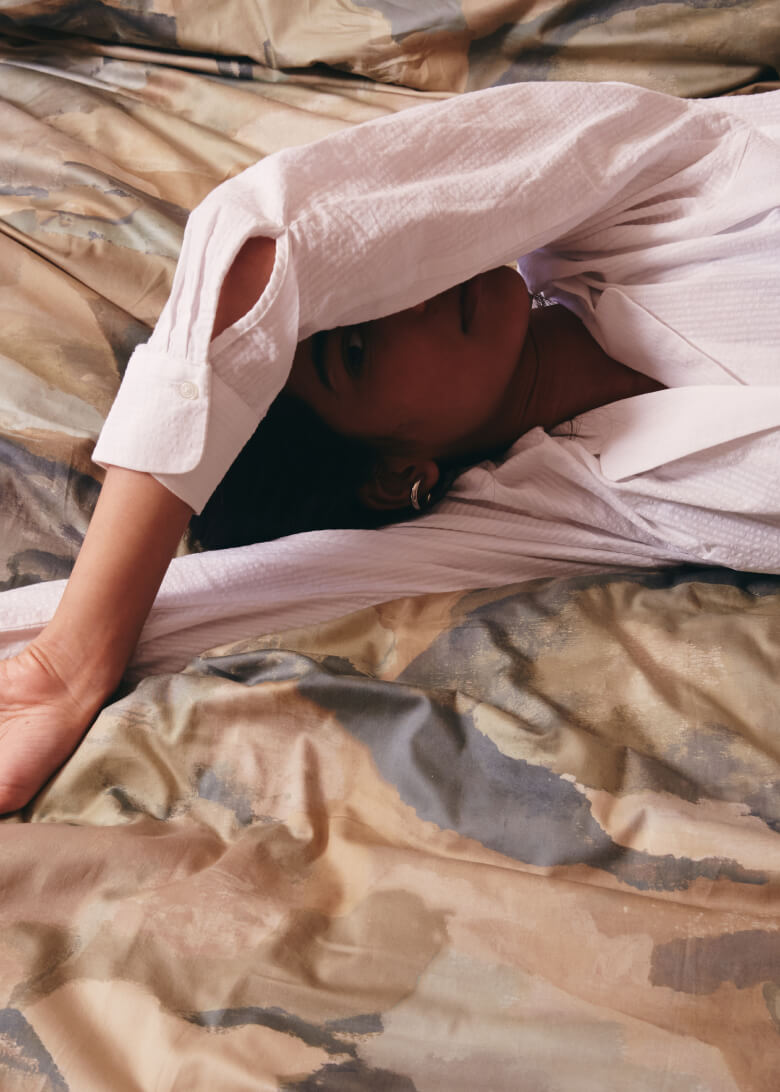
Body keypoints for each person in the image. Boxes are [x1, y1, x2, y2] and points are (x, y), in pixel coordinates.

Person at [1, 81, 779, 814]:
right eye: (359, 350)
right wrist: (53, 678)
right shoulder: (551, 508)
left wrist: (67, 662)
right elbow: (221, 597)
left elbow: (265, 250)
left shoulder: (645, 184)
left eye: (371, 279)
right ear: (392, 475)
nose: (407, 293)